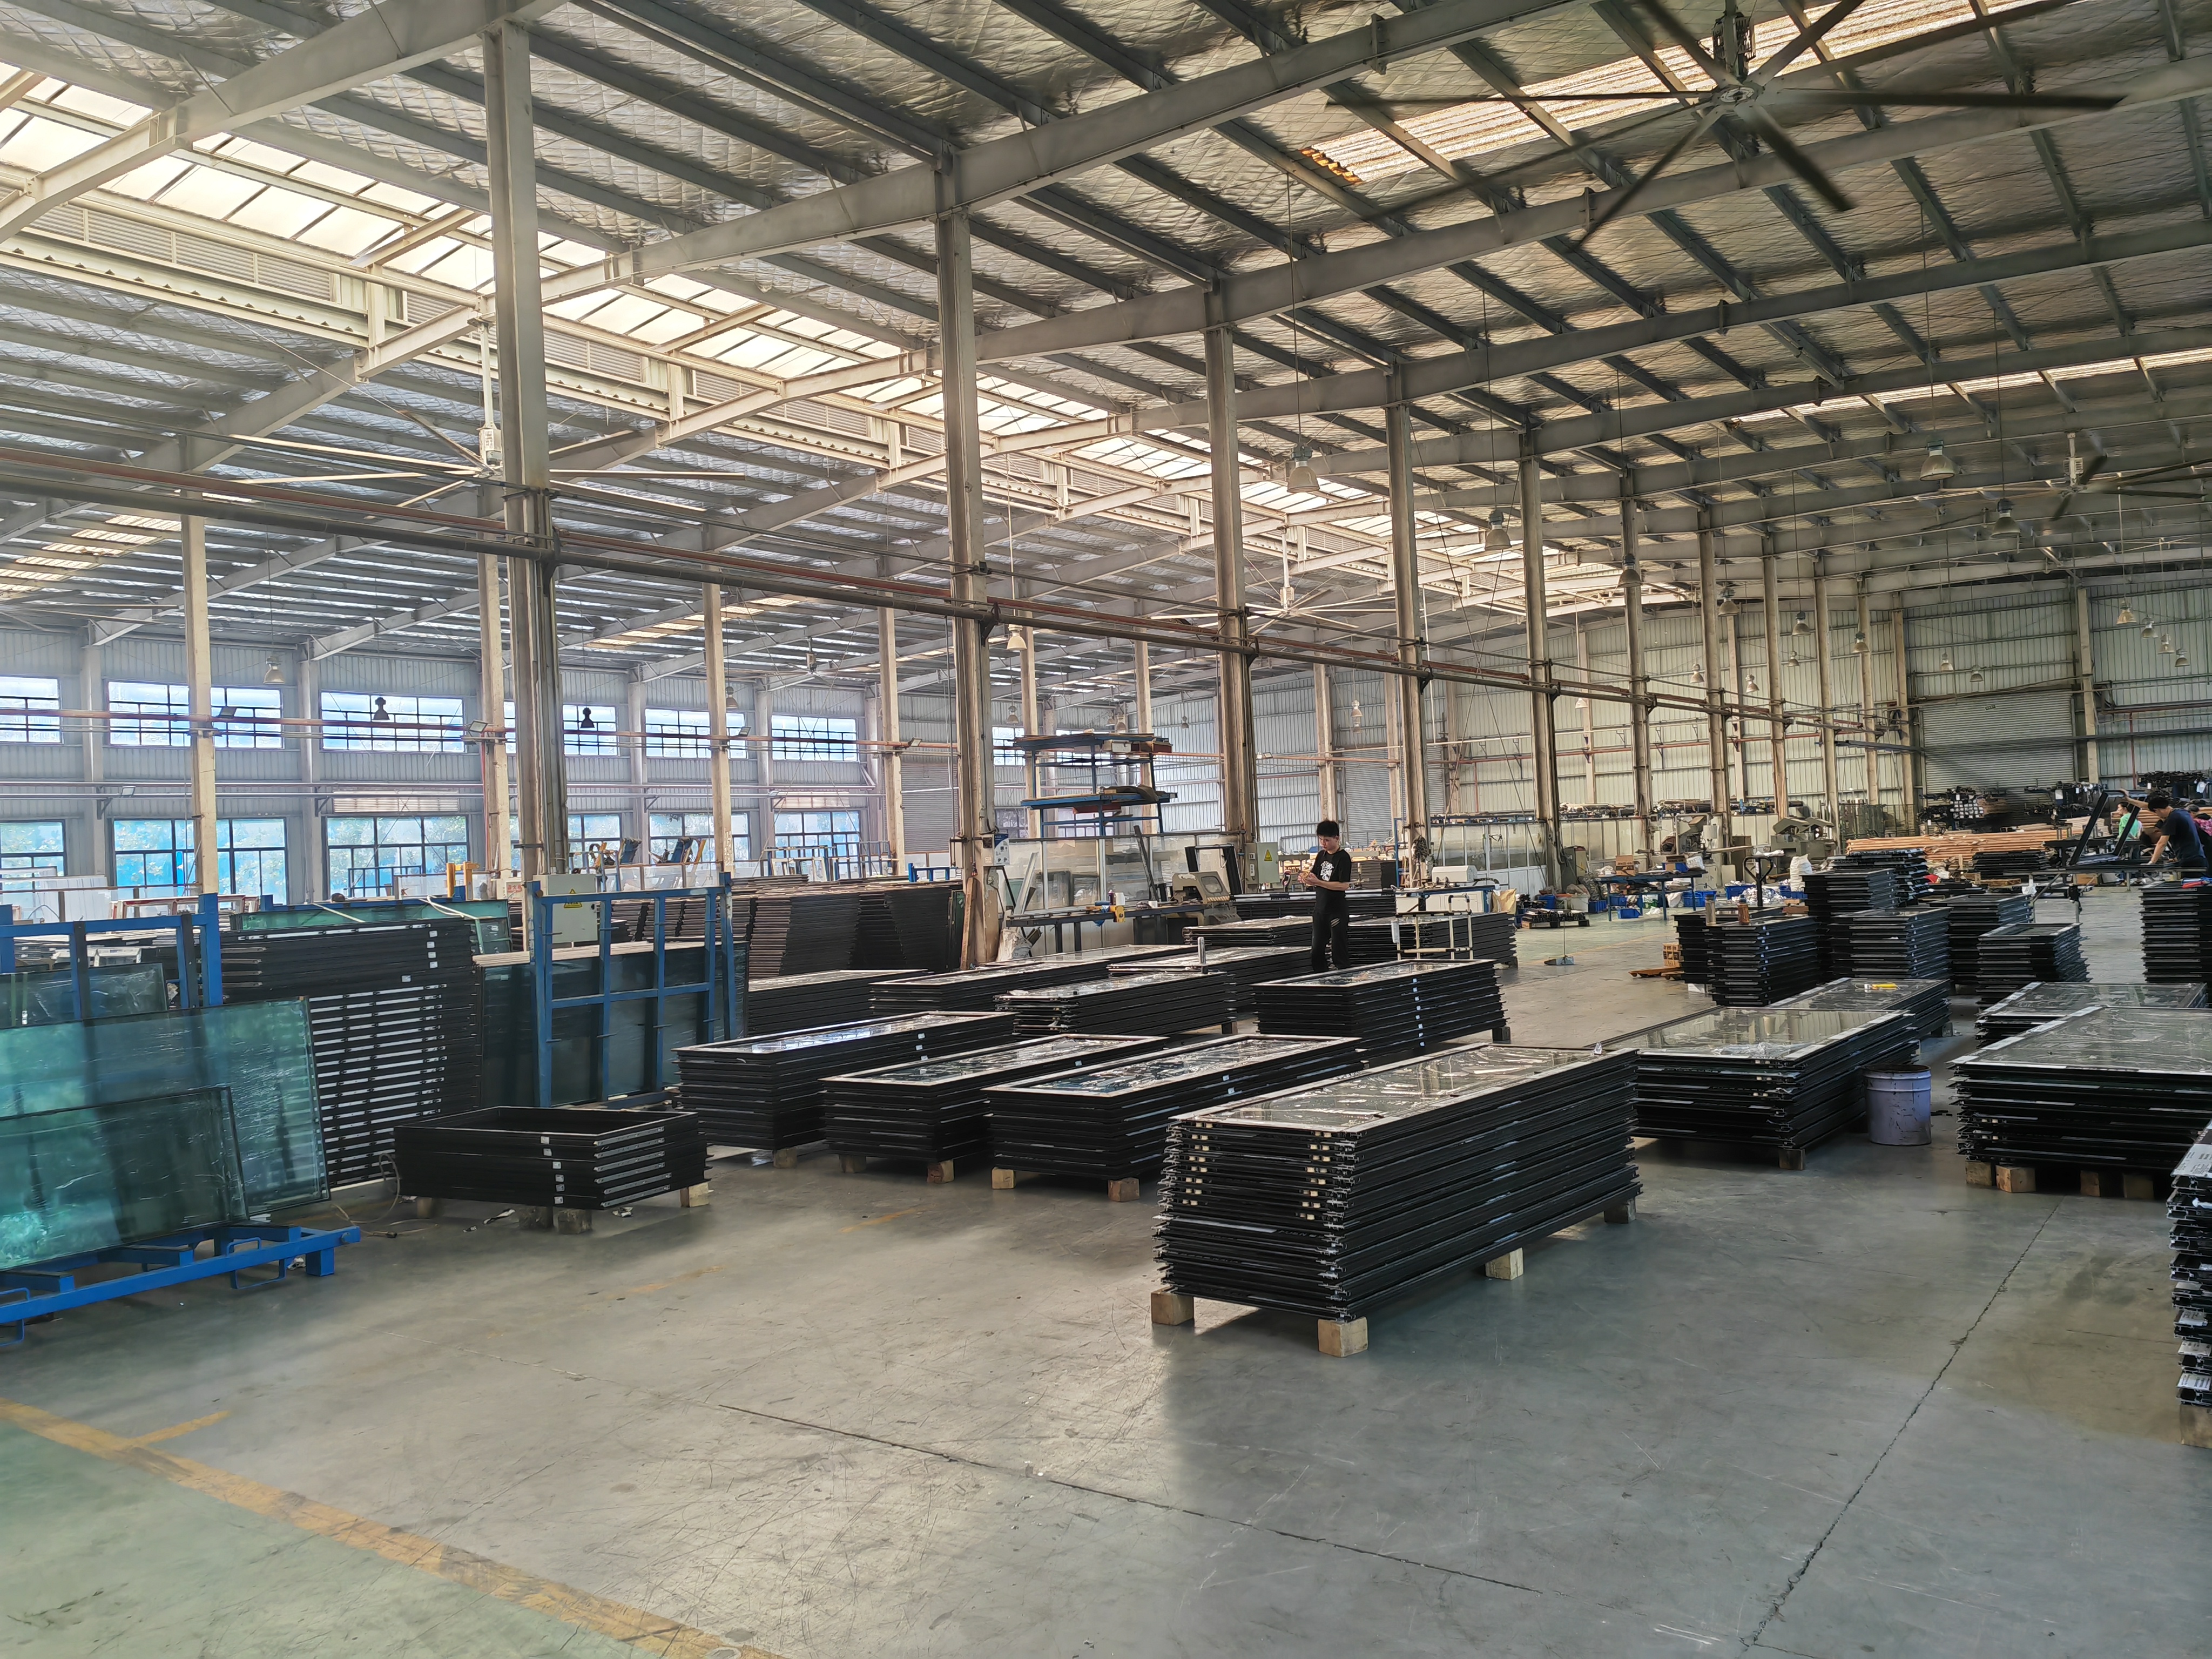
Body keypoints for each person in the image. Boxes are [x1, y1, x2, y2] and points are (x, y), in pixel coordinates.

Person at [1298, 819, 1356, 971]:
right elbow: (1314, 877)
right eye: (1321, 840)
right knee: (1316, 951)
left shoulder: (1343, 858)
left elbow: (1344, 885)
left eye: (1327, 840)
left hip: (1336, 911)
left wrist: (1319, 882)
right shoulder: (1321, 856)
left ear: (1337, 839)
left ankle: (1343, 978)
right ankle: (1321, 978)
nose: (1323, 843)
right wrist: (1306, 879)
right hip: (1320, 910)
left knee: (1338, 950)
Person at [2133, 790, 2208, 868]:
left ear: (2157, 810)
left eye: (2156, 813)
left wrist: (2152, 862)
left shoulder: (2172, 819)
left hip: (2190, 860)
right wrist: (2129, 800)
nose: (2158, 816)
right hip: (2197, 857)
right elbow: (2149, 807)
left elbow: (2162, 843)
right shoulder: (2183, 812)